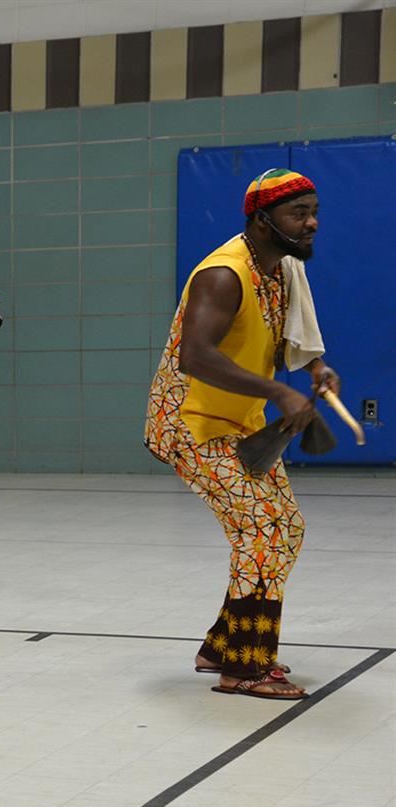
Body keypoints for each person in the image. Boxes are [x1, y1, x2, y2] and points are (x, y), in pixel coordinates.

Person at [144, 168, 341, 699]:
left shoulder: (281, 269)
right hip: (191, 424)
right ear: (261, 220)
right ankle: (245, 666)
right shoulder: (223, 273)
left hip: (240, 424)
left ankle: (220, 645)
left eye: (313, 211)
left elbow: (283, 335)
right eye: (298, 214)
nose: (312, 223)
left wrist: (314, 367)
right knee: (264, 531)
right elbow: (196, 354)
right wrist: (279, 393)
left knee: (286, 528)